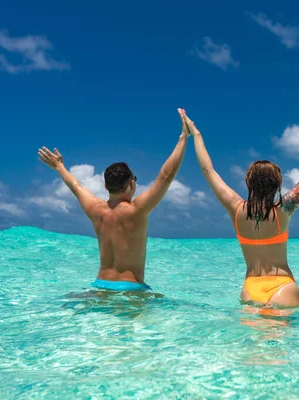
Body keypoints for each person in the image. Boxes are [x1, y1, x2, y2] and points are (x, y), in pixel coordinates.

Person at [179, 101, 299, 307]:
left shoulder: (236, 209)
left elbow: (208, 171)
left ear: (248, 182)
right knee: (284, 340)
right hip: (282, 286)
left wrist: (195, 134)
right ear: (277, 184)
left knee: (250, 340)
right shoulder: (284, 210)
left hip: (250, 288)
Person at [37, 109, 192, 291]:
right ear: (132, 184)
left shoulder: (95, 210)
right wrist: (184, 137)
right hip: (131, 290)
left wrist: (59, 166)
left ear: (105, 187)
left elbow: (76, 187)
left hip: (100, 287)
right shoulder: (136, 210)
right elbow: (166, 175)